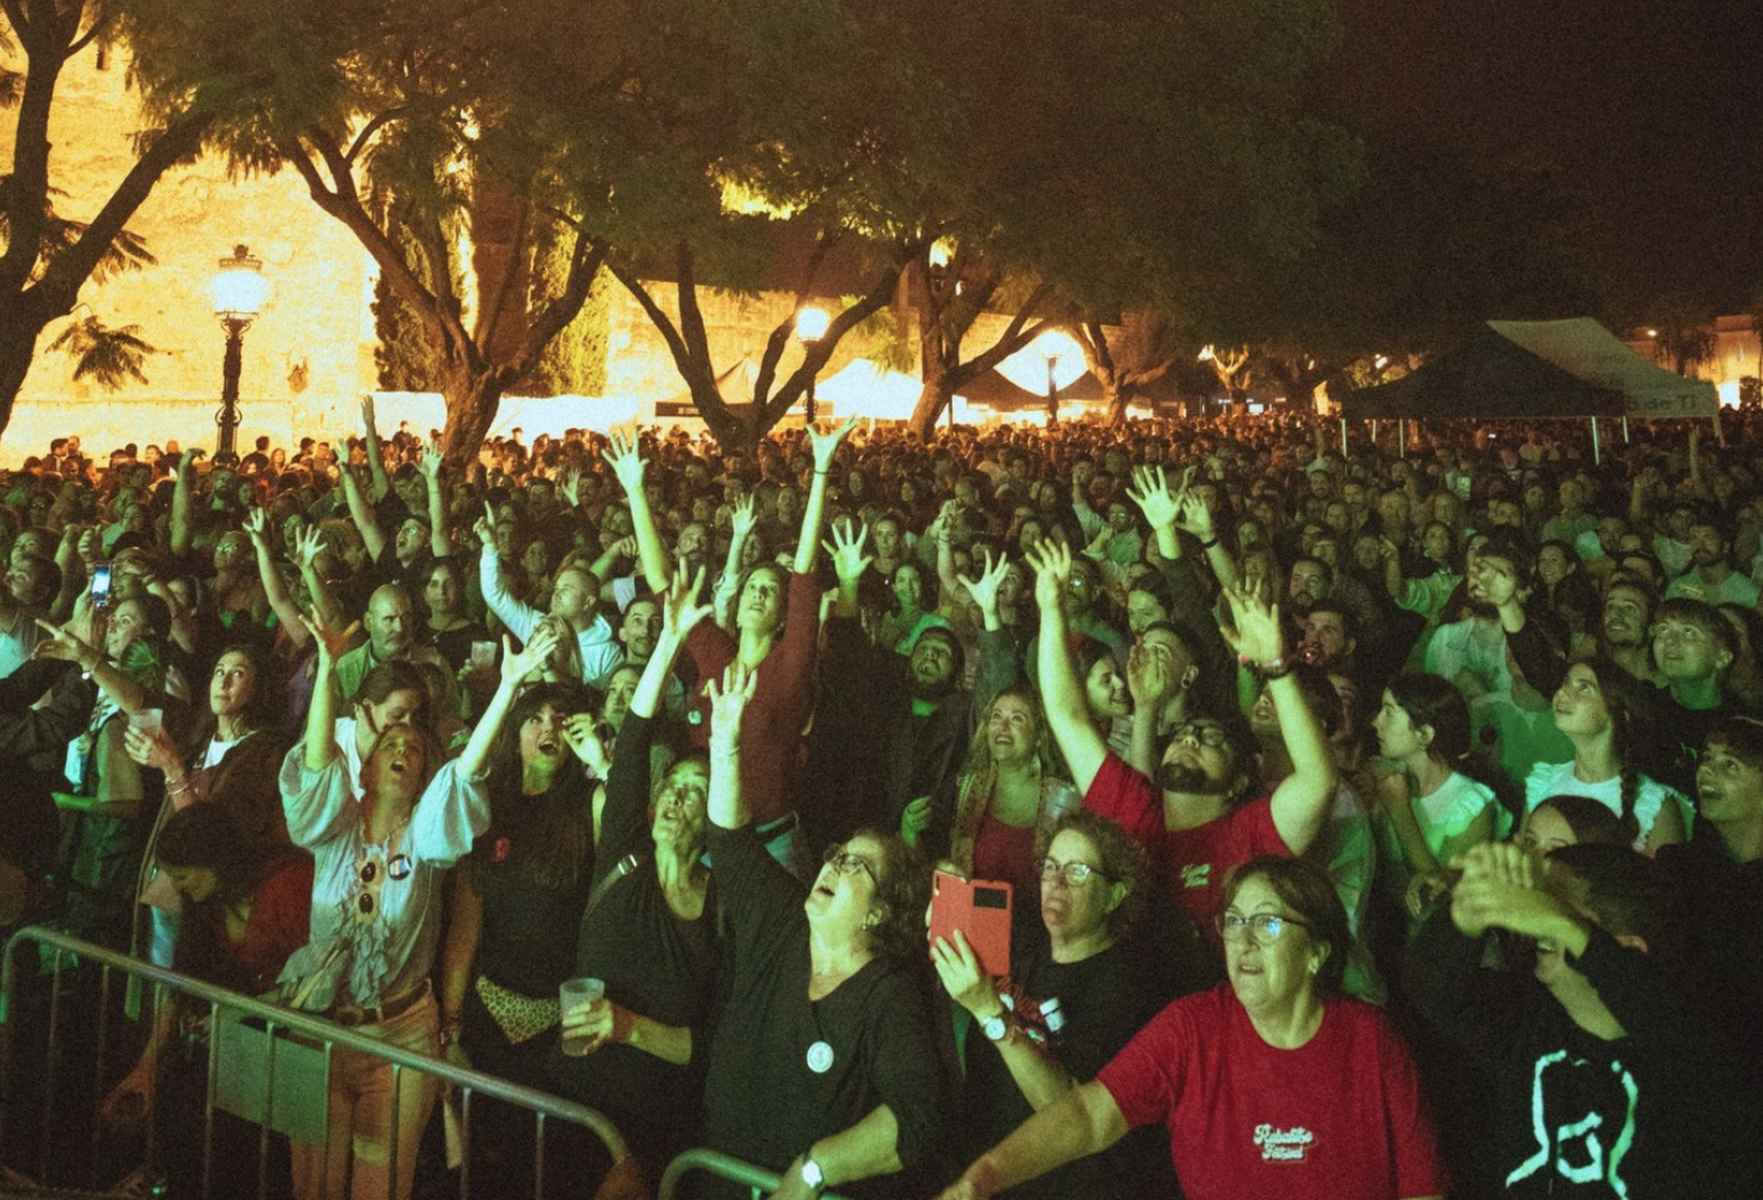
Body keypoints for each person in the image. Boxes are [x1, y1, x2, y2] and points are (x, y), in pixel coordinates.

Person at [936, 856, 1446, 1199]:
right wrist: (983, 1178)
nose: (1244, 941)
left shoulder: (1371, 1040)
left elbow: (1423, 1191)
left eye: (1268, 923)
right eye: (1234, 922)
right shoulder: (1193, 1028)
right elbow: (1090, 1115)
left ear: (1316, 953)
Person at [278, 608, 559, 1200]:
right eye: (391, 742)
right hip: (320, 1030)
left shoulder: (428, 837)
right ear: (367, 764)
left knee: (380, 1188)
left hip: (400, 1041)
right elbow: (316, 762)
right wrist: (326, 669)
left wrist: (507, 688)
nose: (403, 747)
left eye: (415, 746)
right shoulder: (334, 828)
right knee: (313, 1185)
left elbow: (465, 773)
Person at [698, 659, 946, 1198]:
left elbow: (917, 1117)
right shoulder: (784, 921)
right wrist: (725, 745)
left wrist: (815, 1168)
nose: (833, 865)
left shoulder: (889, 997)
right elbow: (730, 843)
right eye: (837, 855)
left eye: (856, 866)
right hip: (714, 1178)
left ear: (881, 911)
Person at [1408, 841, 1762, 1198]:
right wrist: (1467, 915)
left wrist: (1567, 926)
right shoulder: (1527, 1021)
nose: (1532, 916)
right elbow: (1432, 993)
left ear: (1628, 949)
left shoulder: (1691, 1049)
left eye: (1553, 904)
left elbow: (1671, 1026)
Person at [1032, 536, 1338, 932]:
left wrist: (1276, 667)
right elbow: (1067, 716)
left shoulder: (1247, 833)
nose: (1191, 740)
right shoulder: (1136, 808)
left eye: (1213, 741)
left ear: (1238, 782)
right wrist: (1050, 608)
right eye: (1184, 735)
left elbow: (1318, 782)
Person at [549, 567, 720, 1189]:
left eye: (696, 791)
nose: (676, 797)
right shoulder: (625, 852)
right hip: (576, 1103)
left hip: (660, 1125)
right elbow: (634, 738)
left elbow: (713, 1042)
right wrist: (669, 639)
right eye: (672, 785)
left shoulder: (722, 907)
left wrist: (628, 1027)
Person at [931, 811, 1181, 1200]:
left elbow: (1070, 1115)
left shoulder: (1127, 990)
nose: (1057, 882)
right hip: (977, 1174)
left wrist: (990, 1013)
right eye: (1050, 867)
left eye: (1077, 871)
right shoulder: (1024, 951)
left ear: (1114, 895)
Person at [1370, 672, 1509, 923]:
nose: (1376, 722)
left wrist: (1400, 811)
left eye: (1389, 712)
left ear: (1424, 734)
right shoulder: (1390, 783)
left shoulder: (1471, 804)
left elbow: (1439, 896)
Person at [1521, 658, 1689, 854]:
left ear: (1619, 714)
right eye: (1565, 683)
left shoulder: (1653, 803)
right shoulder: (1543, 783)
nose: (1562, 693)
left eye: (1584, 688)